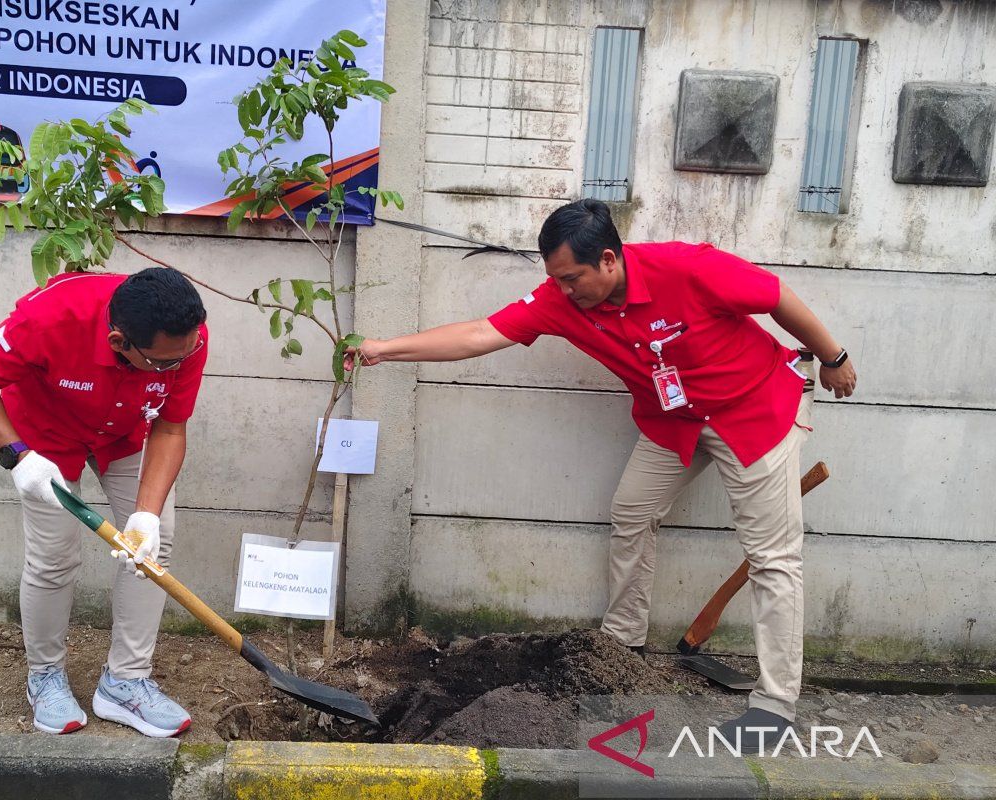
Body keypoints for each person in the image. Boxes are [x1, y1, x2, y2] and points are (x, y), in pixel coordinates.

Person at [346, 199, 857, 748]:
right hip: (675, 421)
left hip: (755, 413)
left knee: (772, 557)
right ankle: (622, 644)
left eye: (571, 278)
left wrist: (833, 357)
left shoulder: (687, 267)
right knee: (632, 511)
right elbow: (479, 334)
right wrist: (382, 350)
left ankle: (775, 707)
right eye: (555, 281)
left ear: (609, 260)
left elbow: (777, 297)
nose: (562, 292)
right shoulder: (561, 299)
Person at [0, 267, 209, 737]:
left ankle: (126, 682)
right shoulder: (49, 318)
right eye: (163, 364)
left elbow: (171, 427)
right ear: (119, 343)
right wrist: (17, 456)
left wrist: (147, 515)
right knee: (54, 558)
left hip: (126, 431)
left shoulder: (183, 340)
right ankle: (44, 677)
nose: (178, 365)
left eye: (185, 355)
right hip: (44, 435)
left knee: (154, 546)